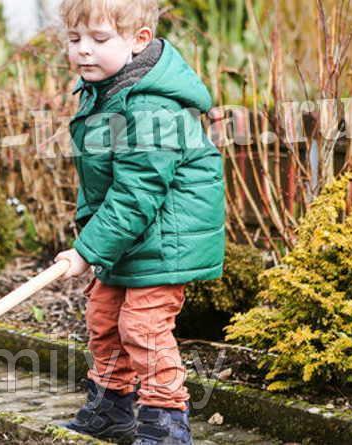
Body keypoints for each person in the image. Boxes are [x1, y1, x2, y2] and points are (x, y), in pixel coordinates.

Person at [53, 0, 225, 443]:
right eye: (75, 40)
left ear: (139, 40)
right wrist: (93, 240)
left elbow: (137, 191)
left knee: (143, 328)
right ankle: (111, 408)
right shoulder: (104, 90)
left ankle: (167, 424)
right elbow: (100, 180)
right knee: (104, 317)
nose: (83, 51)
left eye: (99, 39)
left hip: (166, 237)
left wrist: (87, 251)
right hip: (129, 235)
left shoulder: (153, 108)